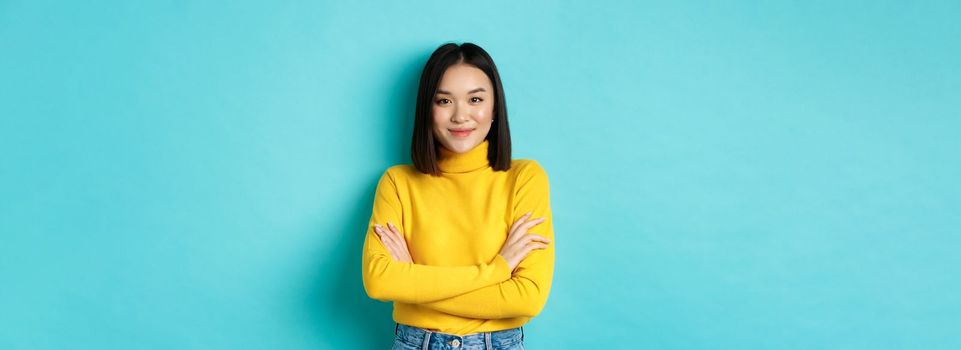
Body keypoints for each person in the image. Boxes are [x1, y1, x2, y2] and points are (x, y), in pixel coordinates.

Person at [361, 42, 555, 350]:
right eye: (444, 101)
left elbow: (527, 298)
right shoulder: (397, 183)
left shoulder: (525, 178)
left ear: (494, 109)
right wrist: (497, 271)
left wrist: (415, 282)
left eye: (475, 99)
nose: (460, 115)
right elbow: (379, 281)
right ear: (428, 109)